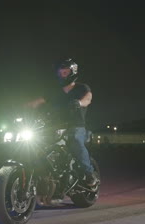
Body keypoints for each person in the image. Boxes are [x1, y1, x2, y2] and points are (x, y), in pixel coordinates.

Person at [28, 58, 99, 188]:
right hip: (55, 126)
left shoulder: (81, 88)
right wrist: (23, 107)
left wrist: (79, 102)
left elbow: (88, 98)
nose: (62, 75)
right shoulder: (55, 91)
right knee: (37, 144)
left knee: (76, 141)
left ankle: (90, 174)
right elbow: (39, 101)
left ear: (73, 72)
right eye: (60, 73)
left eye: (65, 72)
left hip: (76, 126)